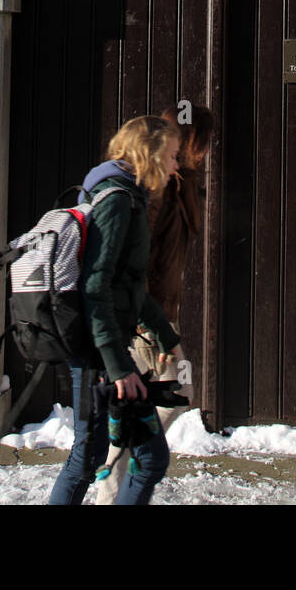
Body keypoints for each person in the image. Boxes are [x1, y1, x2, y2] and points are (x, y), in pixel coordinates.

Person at [47, 114, 181, 506]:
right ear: (150, 152)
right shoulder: (118, 200)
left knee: (89, 458)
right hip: (98, 355)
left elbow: (130, 286)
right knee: (143, 458)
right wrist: (118, 366)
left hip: (103, 351)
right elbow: (96, 285)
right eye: (171, 155)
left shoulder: (125, 195)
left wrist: (165, 334)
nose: (176, 166)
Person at [95, 104, 213, 504]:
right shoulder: (158, 190)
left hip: (158, 311)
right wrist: (148, 325)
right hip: (146, 313)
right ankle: (113, 475)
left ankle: (117, 461)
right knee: (177, 388)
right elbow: (131, 263)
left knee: (166, 394)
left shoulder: (181, 182)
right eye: (199, 145)